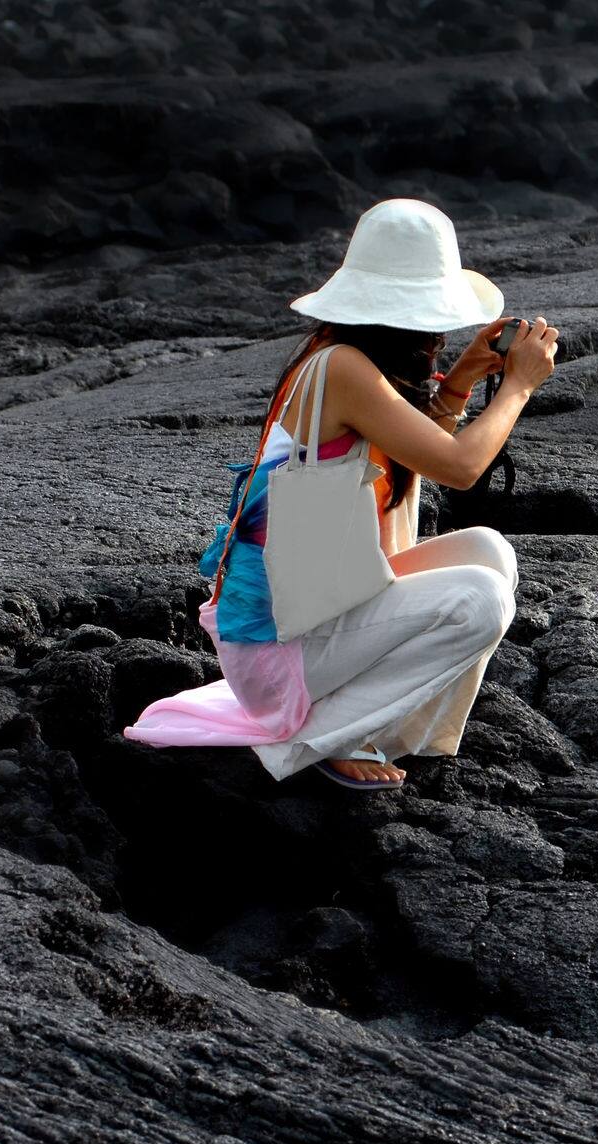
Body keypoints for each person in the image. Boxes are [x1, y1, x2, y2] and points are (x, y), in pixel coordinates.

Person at [123, 198, 561, 790]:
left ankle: (394, 733)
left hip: (318, 613)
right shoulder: (342, 369)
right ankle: (318, 739)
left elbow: (413, 453)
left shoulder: (341, 357)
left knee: (489, 552)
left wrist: (459, 379)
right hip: (278, 650)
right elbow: (460, 468)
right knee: (478, 599)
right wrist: (519, 387)